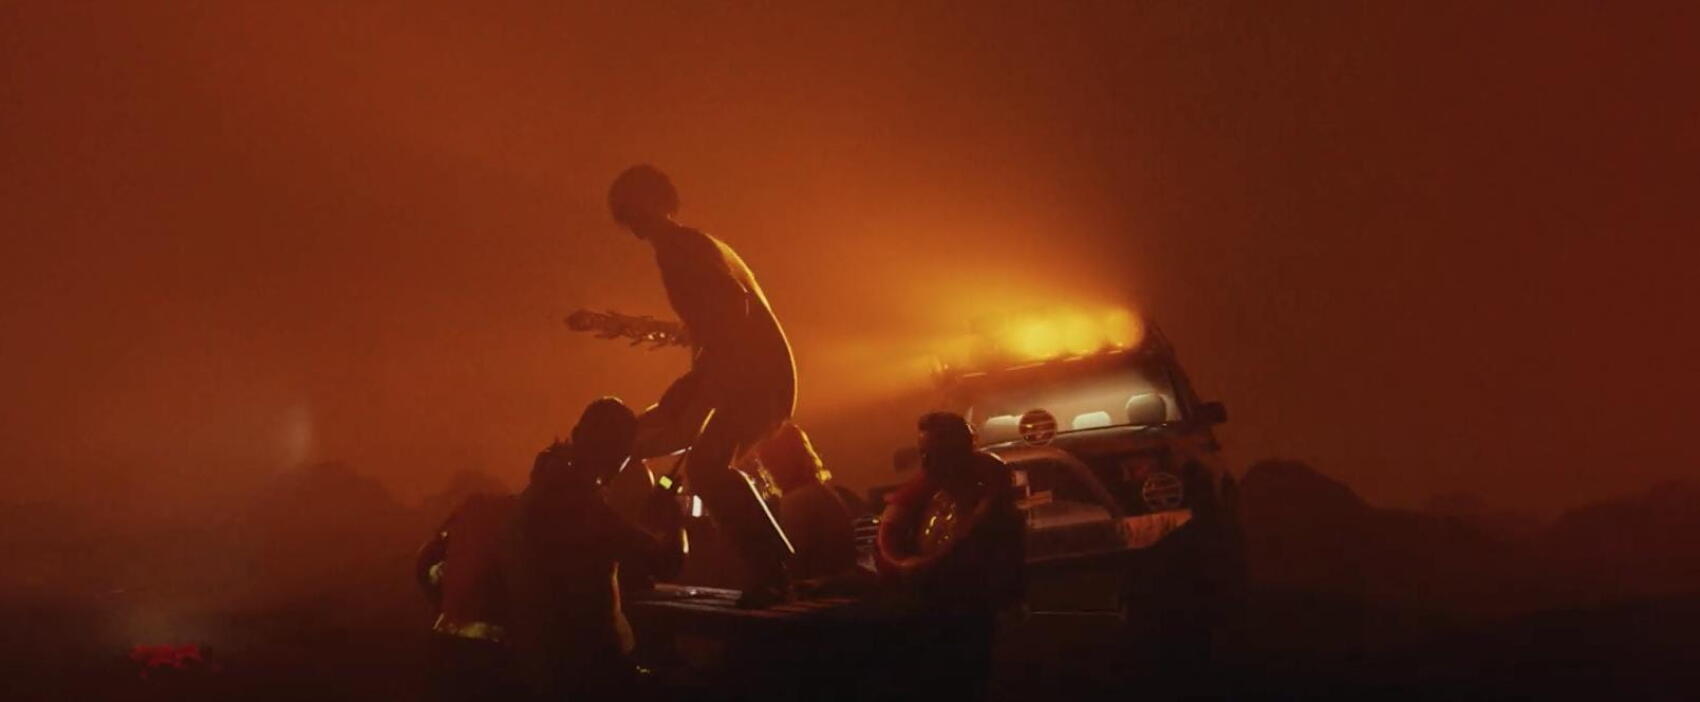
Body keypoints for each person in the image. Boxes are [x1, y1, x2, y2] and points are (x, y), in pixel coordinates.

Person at [607, 164, 798, 606]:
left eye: (630, 208)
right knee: (682, 449)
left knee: (707, 468)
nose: (630, 221)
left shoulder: (682, 248)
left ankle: (773, 569)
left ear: (652, 202)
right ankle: (775, 564)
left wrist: (708, 384)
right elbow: (717, 321)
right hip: (749, 374)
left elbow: (733, 308)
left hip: (755, 379)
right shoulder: (688, 246)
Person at [501, 397, 687, 700]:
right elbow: (667, 563)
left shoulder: (535, 495)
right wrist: (674, 518)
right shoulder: (584, 507)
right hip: (593, 671)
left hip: (539, 664)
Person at [876, 412, 1024, 701]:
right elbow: (890, 534)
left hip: (970, 617)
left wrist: (918, 566)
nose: (926, 462)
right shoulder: (936, 493)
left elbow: (973, 550)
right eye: (923, 453)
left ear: (958, 451)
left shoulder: (989, 500)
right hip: (938, 616)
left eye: (934, 453)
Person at [755, 422, 870, 594]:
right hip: (844, 593)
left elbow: (794, 566)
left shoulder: (797, 501)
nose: (765, 472)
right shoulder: (824, 492)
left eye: (767, 464)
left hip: (823, 597)